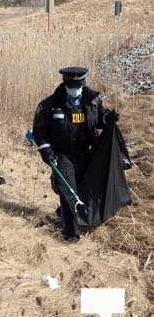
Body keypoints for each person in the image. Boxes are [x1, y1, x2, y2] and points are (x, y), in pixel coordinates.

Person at [32, 67, 119, 242]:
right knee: (68, 191)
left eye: (78, 86)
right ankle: (71, 232)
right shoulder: (50, 105)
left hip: (86, 153)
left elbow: (99, 119)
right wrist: (46, 150)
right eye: (71, 86)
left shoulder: (91, 100)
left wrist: (109, 118)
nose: (75, 90)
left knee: (84, 189)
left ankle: (80, 216)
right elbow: (40, 132)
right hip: (62, 155)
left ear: (83, 84)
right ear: (65, 84)